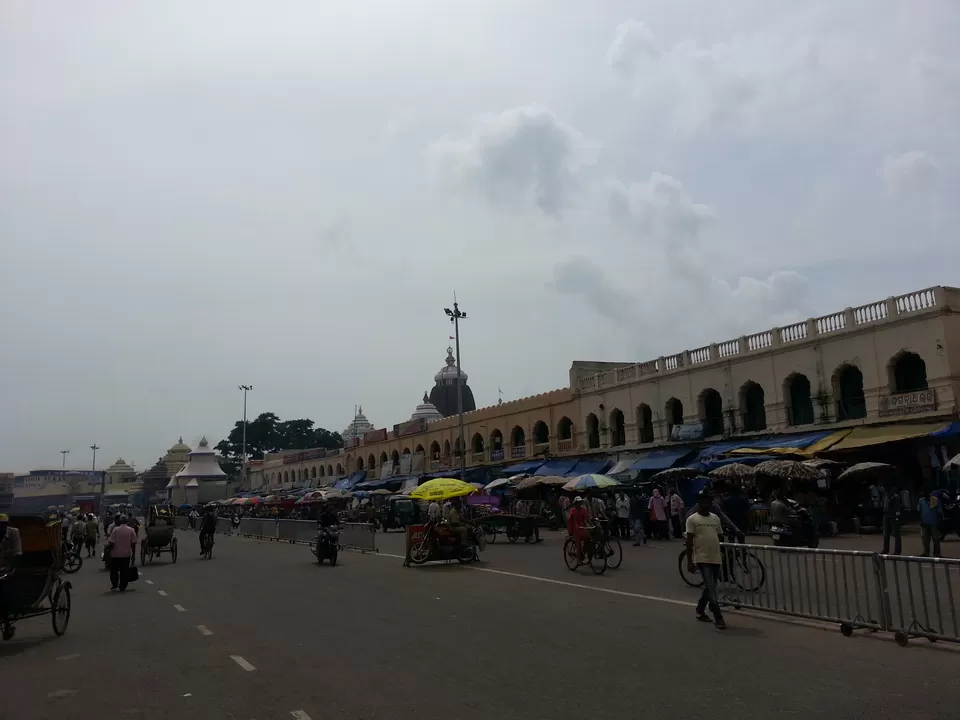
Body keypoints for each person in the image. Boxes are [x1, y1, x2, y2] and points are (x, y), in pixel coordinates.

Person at [685, 491, 727, 629]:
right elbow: (689, 541)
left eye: (708, 502)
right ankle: (718, 616)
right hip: (702, 558)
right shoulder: (692, 519)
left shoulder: (715, 518)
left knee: (710, 587)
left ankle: (700, 609)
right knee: (711, 588)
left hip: (715, 557)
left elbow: (720, 536)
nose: (706, 505)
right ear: (699, 503)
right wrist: (690, 561)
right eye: (703, 502)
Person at [1, 513, 24, 640]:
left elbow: (18, 552)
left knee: (4, 595)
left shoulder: (13, 533)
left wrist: (11, 568)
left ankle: (7, 624)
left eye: (2, 526)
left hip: (8, 568)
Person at [106, 516, 137, 591]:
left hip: (115, 554)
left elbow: (111, 542)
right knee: (124, 571)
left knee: (114, 570)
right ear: (127, 522)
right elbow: (133, 544)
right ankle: (122, 585)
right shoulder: (131, 530)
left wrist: (108, 551)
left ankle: (115, 583)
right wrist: (133, 554)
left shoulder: (115, 530)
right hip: (126, 554)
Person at [918, 489, 943, 558]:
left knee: (936, 539)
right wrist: (920, 521)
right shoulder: (921, 501)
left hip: (934, 523)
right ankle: (926, 552)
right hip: (924, 523)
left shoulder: (935, 500)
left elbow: (939, 512)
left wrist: (939, 522)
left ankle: (937, 553)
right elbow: (919, 511)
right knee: (925, 539)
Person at [567, 496, 592, 561]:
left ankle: (583, 552)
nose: (579, 504)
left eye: (580, 502)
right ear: (575, 503)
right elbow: (570, 521)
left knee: (588, 540)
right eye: (578, 502)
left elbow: (587, 518)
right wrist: (570, 531)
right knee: (578, 545)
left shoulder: (583, 510)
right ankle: (579, 559)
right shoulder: (573, 511)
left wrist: (592, 525)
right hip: (576, 530)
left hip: (583, 528)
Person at [881, 484, 902, 555]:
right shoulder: (886, 496)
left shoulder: (895, 497)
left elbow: (898, 509)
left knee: (896, 534)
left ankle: (897, 550)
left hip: (893, 517)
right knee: (885, 534)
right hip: (886, 516)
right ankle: (886, 549)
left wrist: (897, 518)